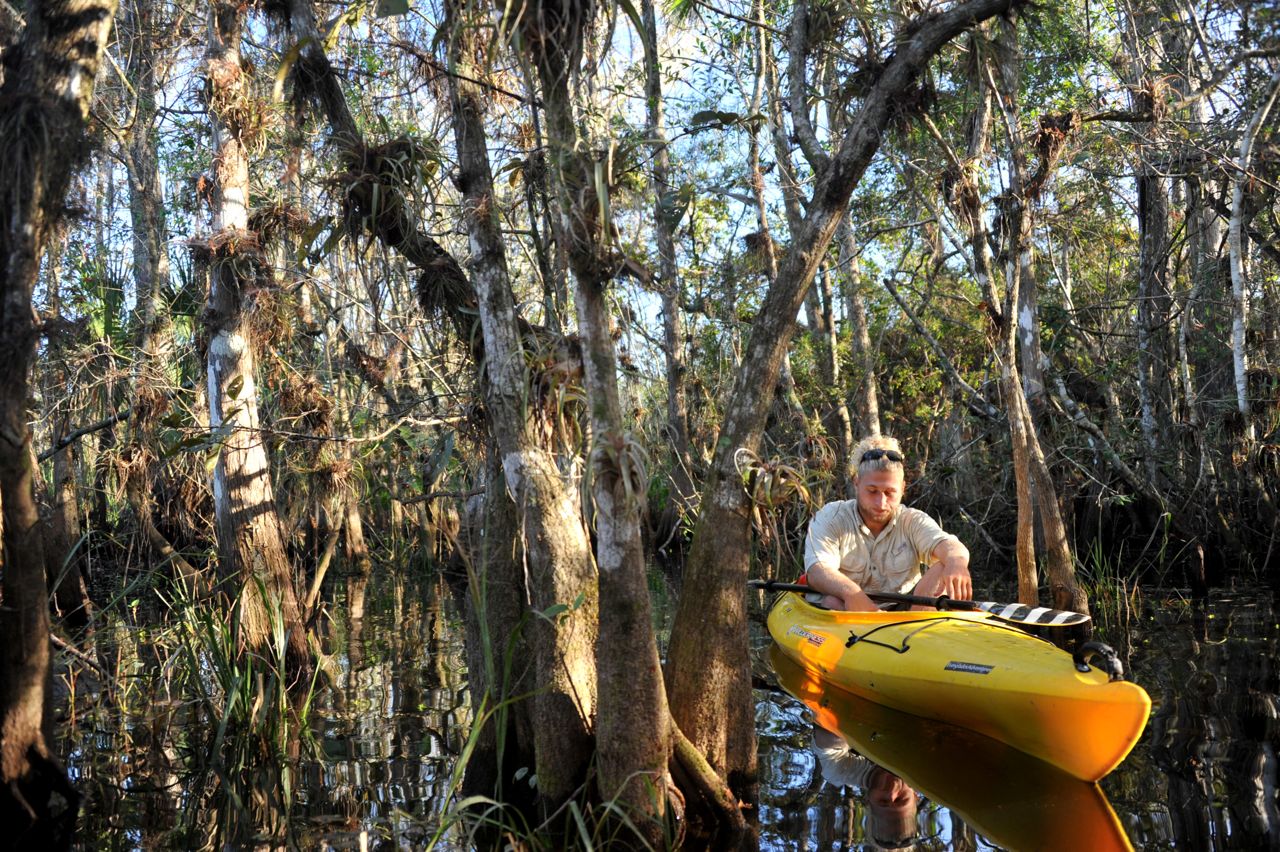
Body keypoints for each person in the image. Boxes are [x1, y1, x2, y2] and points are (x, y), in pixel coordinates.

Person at [804, 435, 971, 611]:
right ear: (856, 483)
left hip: (904, 611)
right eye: (872, 491)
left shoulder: (912, 520)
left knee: (945, 563)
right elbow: (817, 571)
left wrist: (956, 563)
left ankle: (915, 628)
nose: (881, 503)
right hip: (847, 607)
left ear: (903, 488)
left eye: (890, 493)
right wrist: (852, 593)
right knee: (831, 601)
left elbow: (952, 546)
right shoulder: (832, 515)